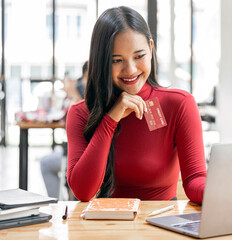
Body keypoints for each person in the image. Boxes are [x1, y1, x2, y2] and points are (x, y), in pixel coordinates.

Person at [66, 6, 207, 204]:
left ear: (151, 48)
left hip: (161, 225)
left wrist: (223, 191)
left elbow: (194, 180)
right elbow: (83, 191)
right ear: (101, 61)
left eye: (139, 56)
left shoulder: (178, 104)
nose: (130, 70)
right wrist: (110, 119)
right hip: (106, 226)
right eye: (116, 60)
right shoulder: (81, 113)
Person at [40, 61, 88, 199]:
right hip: (75, 151)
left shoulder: (86, 94)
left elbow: (78, 121)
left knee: (46, 163)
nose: (82, 81)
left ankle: (58, 204)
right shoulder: (83, 91)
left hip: (80, 155)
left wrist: (72, 94)